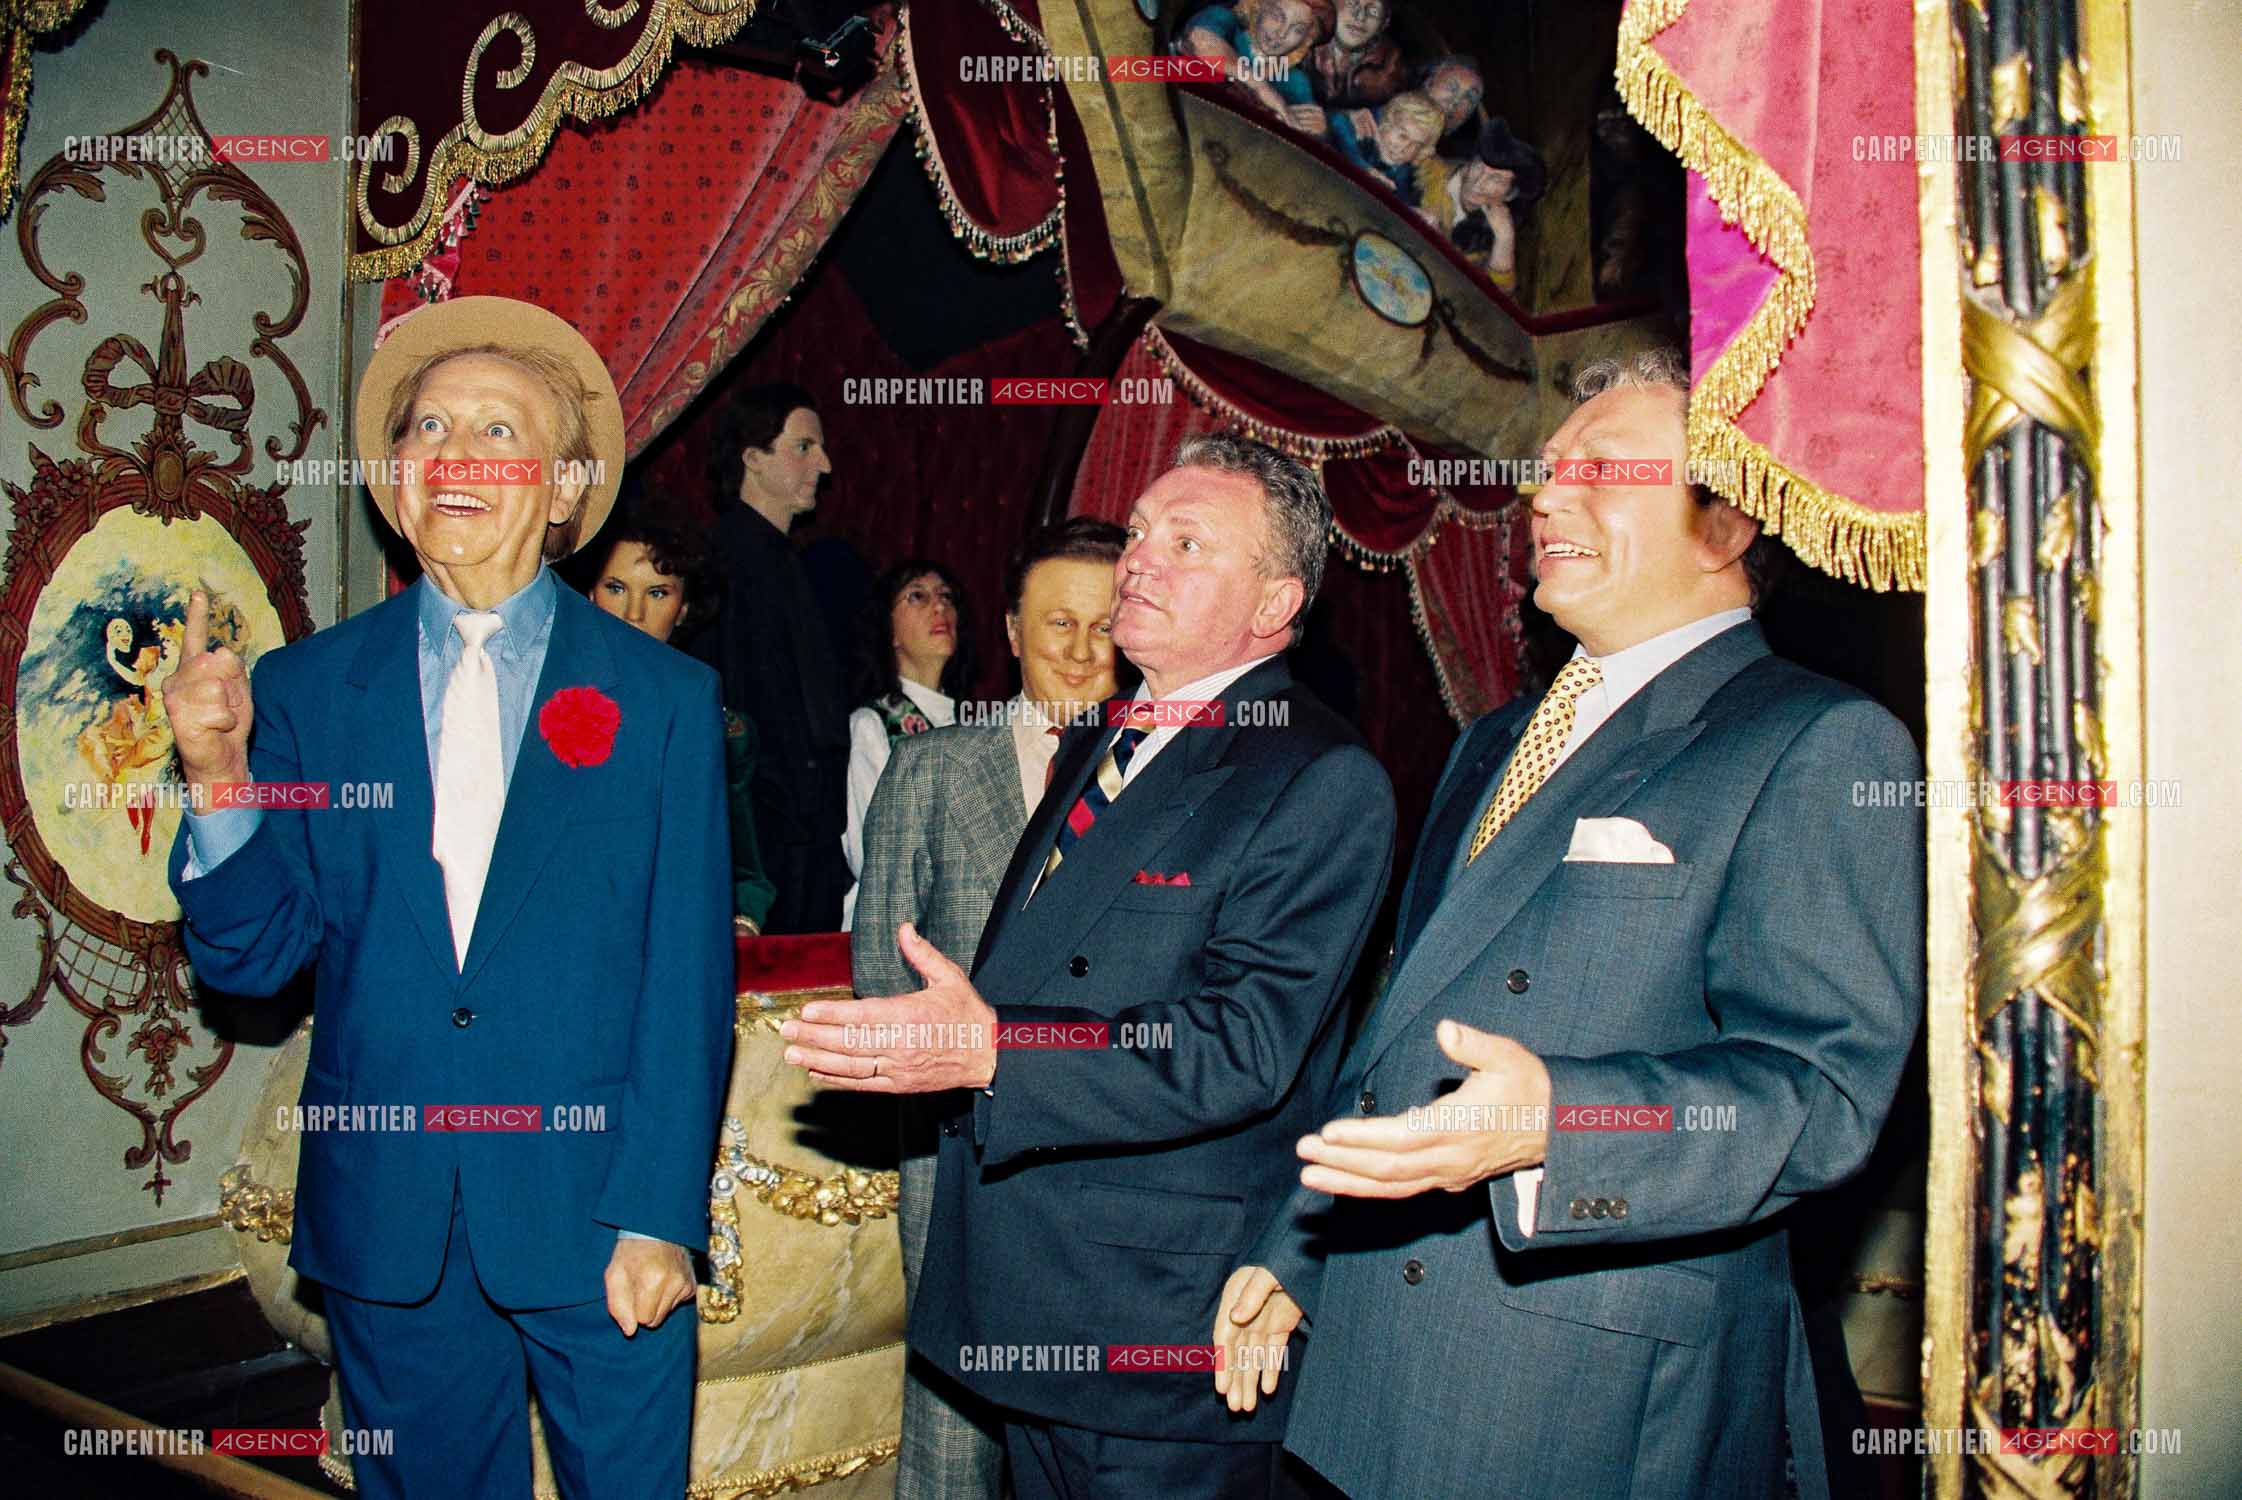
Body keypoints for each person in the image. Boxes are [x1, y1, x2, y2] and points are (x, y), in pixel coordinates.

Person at [1216, 351, 1925, 1500]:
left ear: (1728, 518)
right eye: (1548, 472)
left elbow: (1822, 1093)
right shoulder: (1491, 740)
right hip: (1371, 1371)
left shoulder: (1818, 741)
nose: (1547, 497)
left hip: (1579, 1406)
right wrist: (1303, 1245)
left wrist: (1563, 1122)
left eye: (1603, 468)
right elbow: (1400, 1026)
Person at [164, 297, 733, 1500]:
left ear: (566, 485)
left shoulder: (663, 697)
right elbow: (254, 959)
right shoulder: (310, 690)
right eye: (427, 428)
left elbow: (688, 984)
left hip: (600, 1219)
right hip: (388, 1221)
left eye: (493, 428)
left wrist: (660, 1215)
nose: (452, 455)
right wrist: (220, 782)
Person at [783, 435, 1398, 1500]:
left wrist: (994, 1049)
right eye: (1141, 533)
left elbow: (1240, 1045)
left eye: (1187, 542)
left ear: (1273, 602)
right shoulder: (1105, 738)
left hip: (1158, 1318)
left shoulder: (1315, 772)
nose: (1139, 561)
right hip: (1034, 1286)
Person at [851, 517, 1126, 1500]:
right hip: (959, 1150)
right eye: (1058, 623)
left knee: (1090, 1431)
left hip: (1109, 1157)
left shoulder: (1164, 785)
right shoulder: (930, 769)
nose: (1082, 651)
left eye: (1106, 625)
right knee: (954, 1427)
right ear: (1008, 630)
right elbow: (879, 979)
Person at [691, 382, 852, 934]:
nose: (824, 464)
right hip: (759, 834)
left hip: (810, 830)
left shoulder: (801, 568)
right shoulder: (716, 563)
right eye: (804, 447)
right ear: (753, 458)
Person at [584, 515, 778, 934]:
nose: (633, 613)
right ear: (588, 594)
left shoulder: (720, 729)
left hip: (677, 940)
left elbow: (745, 868)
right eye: (616, 588)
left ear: (684, 607)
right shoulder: (546, 710)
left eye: (657, 592)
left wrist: (742, 924)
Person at [840, 560, 974, 929]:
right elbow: (868, 850)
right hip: (890, 928)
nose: (939, 607)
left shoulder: (975, 725)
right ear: (890, 631)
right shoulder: (872, 724)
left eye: (946, 597)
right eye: (917, 596)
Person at [1177, 0, 1333, 137]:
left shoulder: (1296, 80)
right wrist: (1261, 88)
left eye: (1297, 30)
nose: (1281, 34)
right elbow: (1201, 39)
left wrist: (1318, 133)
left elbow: (1299, 132)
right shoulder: (1223, 19)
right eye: (1277, 16)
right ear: (1257, 7)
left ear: (1306, 39)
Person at [1328, 90, 1446, 202]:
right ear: (1387, 121)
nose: (1403, 148)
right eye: (1402, 135)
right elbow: (1338, 123)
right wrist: (1364, 169)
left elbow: (1402, 202)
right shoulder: (1359, 132)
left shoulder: (1403, 175)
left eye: (1416, 145)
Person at [1307, 0, 1405, 111]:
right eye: (1351, 4)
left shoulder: (1391, 62)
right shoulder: (1305, 40)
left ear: (1384, 22)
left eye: (1373, 11)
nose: (1360, 17)